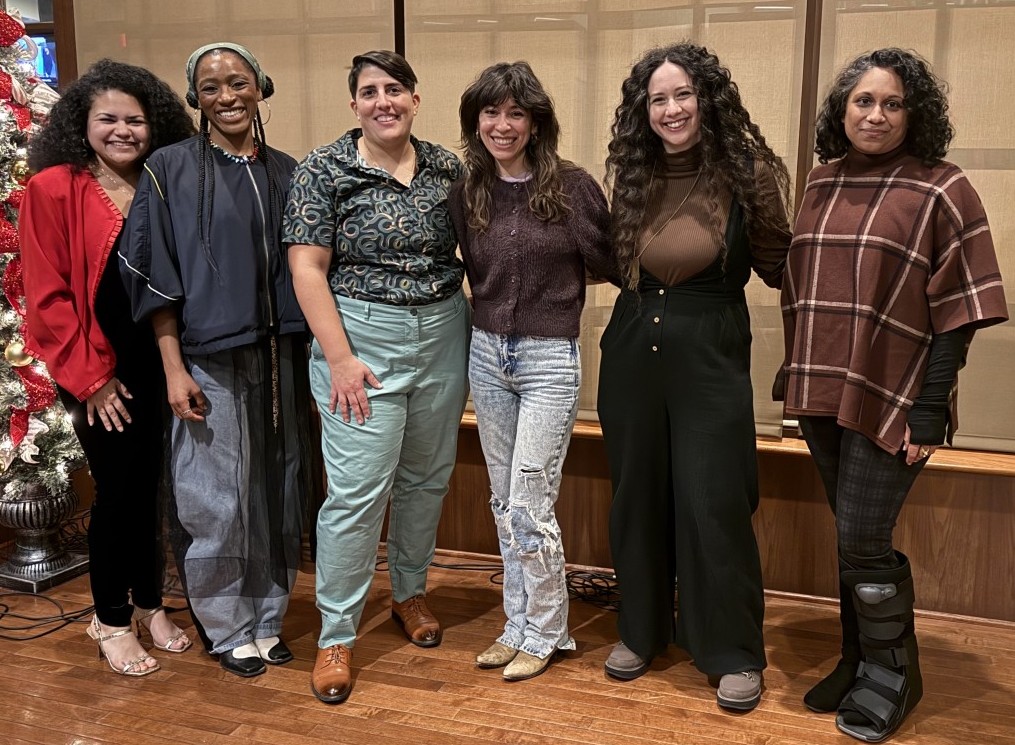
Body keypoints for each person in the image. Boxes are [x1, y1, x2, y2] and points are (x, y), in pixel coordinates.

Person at [781, 48, 1007, 742]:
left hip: (896, 395)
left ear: (915, 114)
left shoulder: (942, 188)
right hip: (822, 388)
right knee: (850, 541)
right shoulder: (820, 181)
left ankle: (893, 672)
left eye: (891, 103)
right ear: (840, 111)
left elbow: (961, 308)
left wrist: (930, 407)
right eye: (861, 101)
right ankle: (855, 659)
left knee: (864, 538)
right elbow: (807, 287)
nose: (874, 115)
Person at [597, 42, 791, 711]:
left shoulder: (747, 173)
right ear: (642, 111)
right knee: (636, 493)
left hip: (710, 350)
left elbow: (782, 267)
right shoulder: (630, 173)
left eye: (683, 94)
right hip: (630, 347)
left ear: (706, 99)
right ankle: (641, 629)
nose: (672, 109)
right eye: (658, 99)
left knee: (714, 500)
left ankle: (732, 649)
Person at [120, 42, 313, 679]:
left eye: (238, 82)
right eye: (210, 87)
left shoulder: (288, 170)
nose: (226, 96)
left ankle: (267, 619)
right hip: (206, 360)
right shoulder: (166, 169)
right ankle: (227, 625)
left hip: (282, 355)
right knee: (217, 500)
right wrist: (173, 367)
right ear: (195, 99)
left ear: (261, 86)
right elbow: (155, 275)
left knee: (274, 493)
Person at [284, 50, 470, 704]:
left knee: (426, 477)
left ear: (415, 99)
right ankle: (336, 629)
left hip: (445, 331)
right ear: (355, 103)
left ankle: (410, 592)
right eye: (369, 91)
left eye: (394, 88)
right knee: (358, 492)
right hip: (361, 341)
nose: (382, 100)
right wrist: (338, 357)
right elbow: (306, 268)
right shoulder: (324, 168)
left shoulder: (448, 165)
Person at [20, 59, 195, 676]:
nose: (123, 130)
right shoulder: (53, 187)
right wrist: (92, 379)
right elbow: (46, 295)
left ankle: (149, 605)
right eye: (108, 119)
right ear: (81, 123)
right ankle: (110, 618)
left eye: (136, 120)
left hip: (160, 359)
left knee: (150, 489)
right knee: (117, 492)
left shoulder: (161, 179)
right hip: (99, 369)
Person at [448, 61, 613, 682]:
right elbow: (468, 265)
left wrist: (557, 291)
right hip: (487, 354)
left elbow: (613, 260)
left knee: (528, 504)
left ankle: (547, 630)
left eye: (516, 112)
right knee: (501, 501)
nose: (502, 124)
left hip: (548, 359)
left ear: (537, 121)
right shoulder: (469, 190)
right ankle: (516, 624)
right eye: (490, 112)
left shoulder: (571, 187)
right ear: (476, 122)